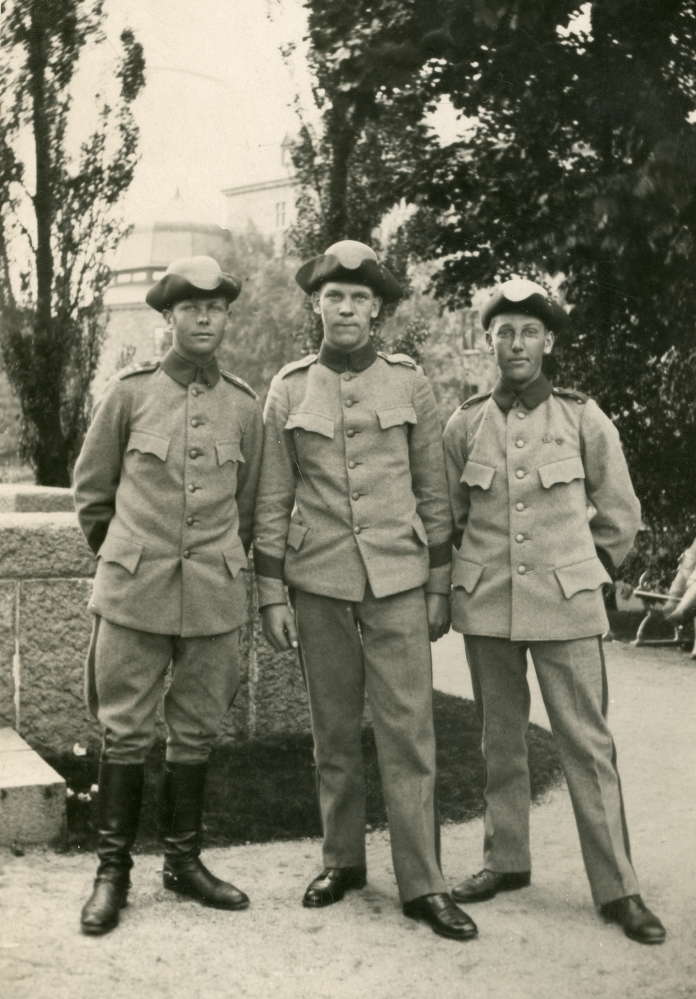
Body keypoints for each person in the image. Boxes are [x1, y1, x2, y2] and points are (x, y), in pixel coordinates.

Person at [252, 240, 476, 941]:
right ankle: (342, 859)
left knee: (410, 731)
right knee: (334, 730)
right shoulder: (288, 389)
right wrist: (268, 594)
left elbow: (434, 494)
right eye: (334, 296)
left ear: (376, 309)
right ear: (316, 304)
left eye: (359, 298)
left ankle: (424, 882)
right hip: (318, 579)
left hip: (400, 580)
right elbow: (271, 499)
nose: (346, 308)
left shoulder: (410, 385)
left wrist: (439, 585)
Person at [442, 278, 665, 944]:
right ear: (489, 341)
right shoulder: (465, 422)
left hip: (567, 608)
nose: (515, 343)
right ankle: (504, 860)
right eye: (503, 331)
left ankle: (618, 887)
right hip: (488, 608)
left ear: (549, 341)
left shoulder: (581, 417)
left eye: (529, 332)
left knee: (587, 745)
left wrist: (582, 572)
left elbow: (622, 516)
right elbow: (451, 517)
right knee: (499, 742)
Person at [73, 255, 263, 935]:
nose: (204, 318)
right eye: (190, 308)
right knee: (124, 728)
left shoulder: (244, 405)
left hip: (211, 593)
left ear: (225, 317)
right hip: (134, 592)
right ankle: (111, 872)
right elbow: (93, 497)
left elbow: (247, 509)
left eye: (215, 308)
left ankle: (184, 862)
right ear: (169, 318)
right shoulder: (129, 394)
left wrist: (211, 562)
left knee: (196, 728)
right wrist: (130, 558)